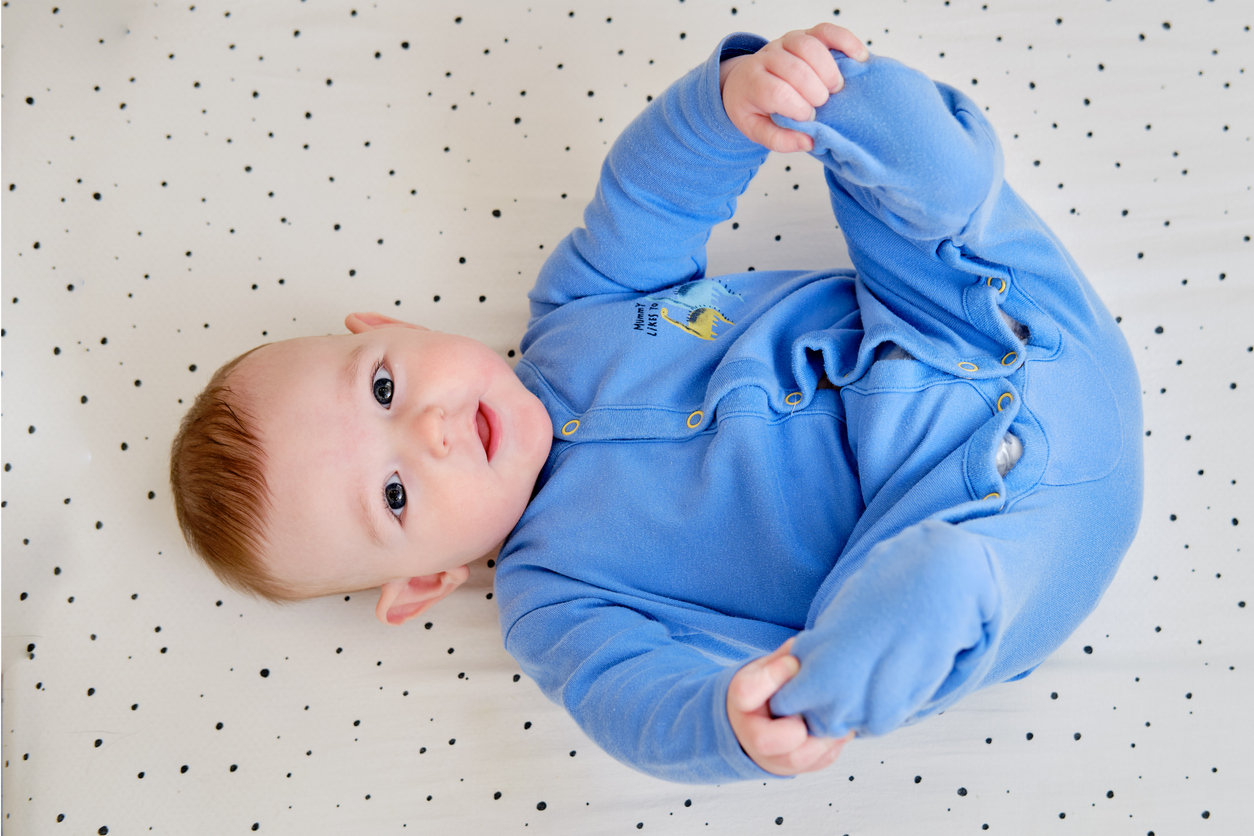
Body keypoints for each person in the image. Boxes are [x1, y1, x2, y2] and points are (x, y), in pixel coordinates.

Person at [170, 23, 1143, 785]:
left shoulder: (573, 311)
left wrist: (726, 107)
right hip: (997, 535)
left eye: (384, 384)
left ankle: (908, 149)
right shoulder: (555, 600)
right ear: (426, 582)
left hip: (995, 327)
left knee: (883, 150)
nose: (426, 430)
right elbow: (627, 701)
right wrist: (727, 723)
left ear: (390, 323)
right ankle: (908, 621)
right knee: (893, 620)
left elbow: (646, 202)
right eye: (393, 495)